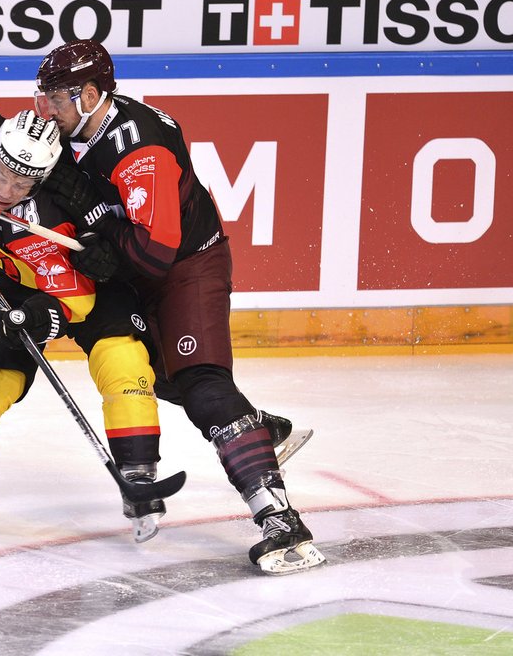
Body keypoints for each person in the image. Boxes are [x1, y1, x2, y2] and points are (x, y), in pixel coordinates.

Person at [33, 40, 325, 575]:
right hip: (137, 269)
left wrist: (100, 226)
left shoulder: (140, 149)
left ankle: (281, 521)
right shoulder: (74, 128)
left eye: (55, 99)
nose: (43, 110)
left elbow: (154, 251)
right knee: (154, 374)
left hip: (186, 267)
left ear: (91, 95)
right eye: (42, 97)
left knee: (203, 387)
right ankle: (256, 430)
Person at [0, 107, 169, 543]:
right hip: (12, 279)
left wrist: (44, 318)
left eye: (21, 184)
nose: (4, 191)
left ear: (40, 181)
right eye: (1, 174)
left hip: (82, 282)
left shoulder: (48, 220)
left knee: (123, 363)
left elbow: (75, 298)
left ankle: (138, 473)